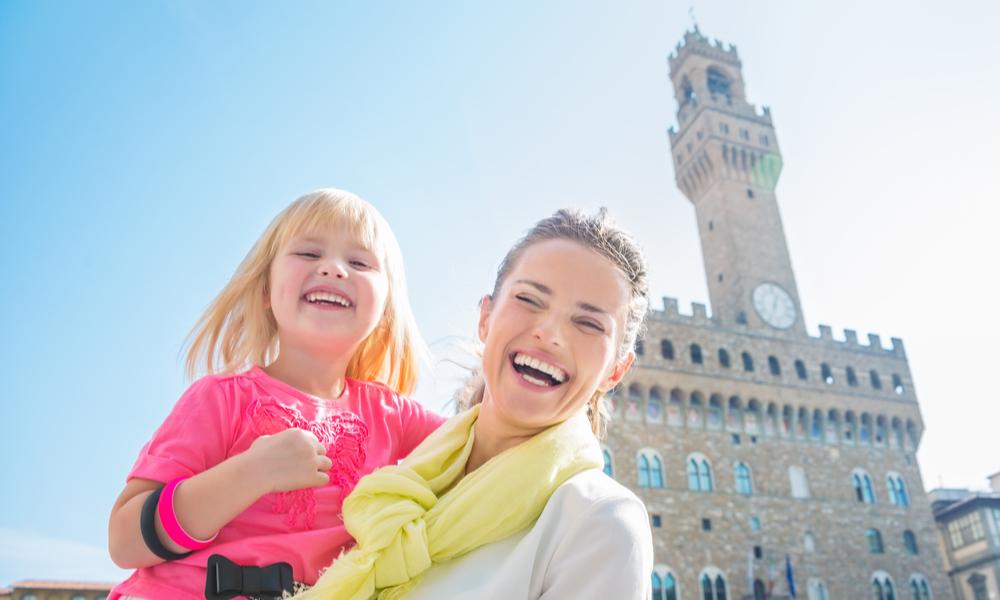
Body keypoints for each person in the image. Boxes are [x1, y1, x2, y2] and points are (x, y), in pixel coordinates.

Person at [296, 207, 653, 600]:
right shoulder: (398, 490)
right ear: (485, 318)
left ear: (615, 372)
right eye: (530, 299)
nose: (549, 333)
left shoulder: (600, 521)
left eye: (588, 324)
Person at [107, 189, 447, 600]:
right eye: (308, 254)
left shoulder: (394, 417)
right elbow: (125, 541)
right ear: (267, 290)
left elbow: (487, 441)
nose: (334, 269)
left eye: (358, 262)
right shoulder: (221, 398)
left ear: (384, 312)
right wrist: (251, 473)